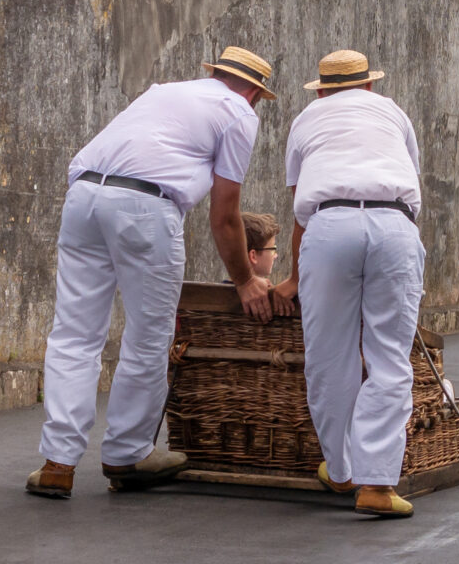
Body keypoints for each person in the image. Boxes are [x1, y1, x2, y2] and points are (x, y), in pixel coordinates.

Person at [26, 47, 279, 500]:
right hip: (145, 205)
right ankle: (126, 453)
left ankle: (57, 463)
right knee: (148, 334)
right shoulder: (239, 112)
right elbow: (225, 214)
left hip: (85, 194)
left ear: (215, 74)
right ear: (255, 94)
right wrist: (244, 279)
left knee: (74, 334)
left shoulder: (164, 92)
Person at [277, 49, 426, 520]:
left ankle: (340, 470)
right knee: (389, 357)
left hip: (329, 223)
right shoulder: (392, 112)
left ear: (320, 89)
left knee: (328, 354)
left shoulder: (306, 119)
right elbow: (407, 177)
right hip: (394, 223)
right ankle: (378, 483)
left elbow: (299, 206)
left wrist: (294, 278)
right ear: (368, 87)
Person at [242, 212, 282, 281]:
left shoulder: (219, 290)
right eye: (273, 249)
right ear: (253, 256)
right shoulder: (265, 291)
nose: (276, 255)